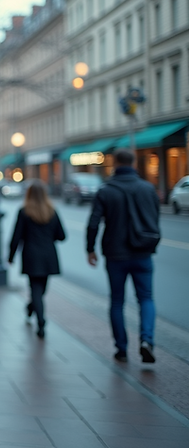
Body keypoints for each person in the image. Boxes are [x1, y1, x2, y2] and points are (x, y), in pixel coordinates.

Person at [87, 148, 160, 364]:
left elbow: (93, 223)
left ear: (115, 164)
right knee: (146, 298)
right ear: (134, 163)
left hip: (115, 254)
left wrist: (90, 249)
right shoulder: (148, 188)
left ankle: (121, 348)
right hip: (143, 252)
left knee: (117, 301)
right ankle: (147, 340)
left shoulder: (106, 190)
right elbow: (154, 219)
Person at [8, 182, 65, 339]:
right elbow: (61, 235)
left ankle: (31, 308)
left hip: (31, 255)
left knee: (37, 290)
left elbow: (16, 236)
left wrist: (11, 256)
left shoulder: (24, 212)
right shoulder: (52, 211)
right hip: (48, 255)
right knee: (40, 290)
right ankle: (40, 321)